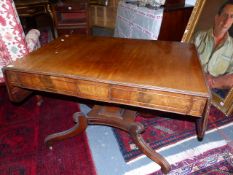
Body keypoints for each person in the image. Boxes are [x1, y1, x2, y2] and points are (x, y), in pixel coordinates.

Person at [192, 0, 233, 89]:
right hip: (192, 83)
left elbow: (231, 79)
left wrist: (211, 82)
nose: (227, 21)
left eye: (231, 17)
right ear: (217, 17)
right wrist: (202, 77)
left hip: (215, 93)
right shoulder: (198, 36)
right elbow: (186, 62)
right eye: (225, 15)